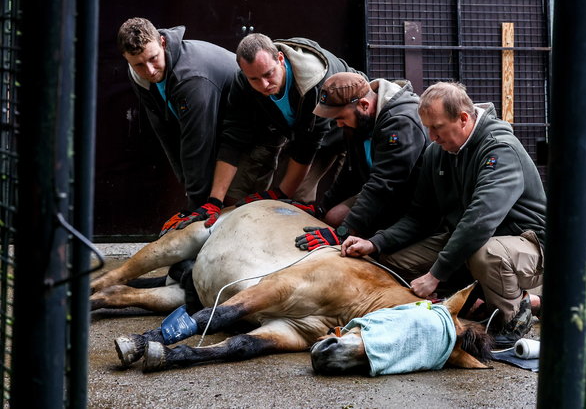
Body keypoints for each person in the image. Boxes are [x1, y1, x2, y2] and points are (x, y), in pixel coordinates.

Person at [341, 82, 545, 348]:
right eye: (427, 127)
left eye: (436, 127)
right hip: (473, 240)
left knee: (485, 254)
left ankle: (513, 318)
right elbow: (420, 216)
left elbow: (479, 221)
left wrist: (435, 274)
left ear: (463, 118)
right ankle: (481, 297)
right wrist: (375, 242)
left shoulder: (499, 150)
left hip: (528, 244)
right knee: (394, 259)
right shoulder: (437, 152)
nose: (431, 136)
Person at [163, 33, 367, 233]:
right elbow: (233, 138)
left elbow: (307, 146)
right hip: (283, 125)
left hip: (339, 128)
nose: (264, 85)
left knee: (295, 200)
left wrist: (281, 193)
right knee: (234, 195)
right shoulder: (243, 83)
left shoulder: (314, 82)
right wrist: (214, 201)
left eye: (268, 74)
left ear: (280, 58)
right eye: (254, 79)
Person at [117, 18, 239, 236]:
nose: (150, 70)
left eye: (153, 58)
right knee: (205, 193)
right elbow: (164, 130)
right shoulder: (139, 75)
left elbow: (197, 142)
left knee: (233, 200)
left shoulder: (191, 77)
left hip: (252, 128)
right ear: (127, 60)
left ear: (162, 42)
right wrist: (187, 185)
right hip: (217, 126)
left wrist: (194, 206)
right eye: (139, 65)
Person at [293, 72, 429, 250]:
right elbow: (350, 173)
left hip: (411, 200)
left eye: (341, 118)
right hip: (382, 190)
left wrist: (345, 232)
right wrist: (321, 209)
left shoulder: (401, 122)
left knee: (348, 232)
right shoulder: (360, 121)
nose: (339, 125)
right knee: (332, 217)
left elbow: (384, 184)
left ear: (364, 105)